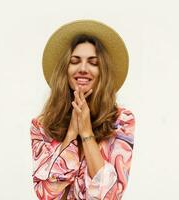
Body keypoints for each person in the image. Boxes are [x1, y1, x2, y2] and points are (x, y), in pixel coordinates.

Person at [29, 19, 136, 200]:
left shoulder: (121, 121)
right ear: (65, 69)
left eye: (93, 62)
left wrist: (86, 132)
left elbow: (110, 195)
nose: (83, 68)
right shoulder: (41, 125)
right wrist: (72, 133)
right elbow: (47, 194)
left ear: (102, 71)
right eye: (75, 61)